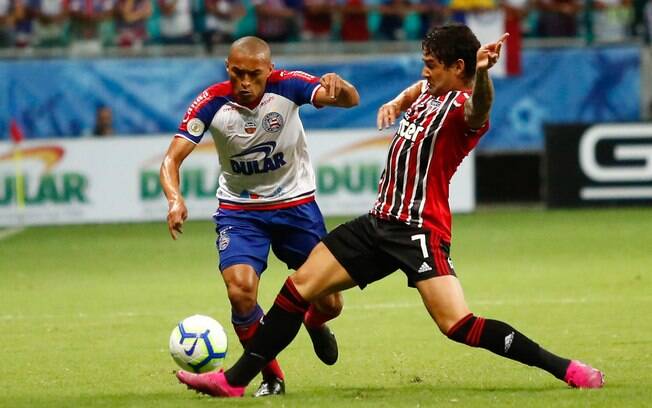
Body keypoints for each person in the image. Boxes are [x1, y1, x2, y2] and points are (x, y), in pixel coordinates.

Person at [174, 24, 605, 398]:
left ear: (458, 68)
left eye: (432, 64)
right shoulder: (430, 93)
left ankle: (565, 368)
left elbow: (480, 108)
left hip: (418, 230)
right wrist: (400, 100)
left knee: (457, 324)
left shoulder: (462, 110)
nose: (424, 71)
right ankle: (234, 381)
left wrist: (484, 76)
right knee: (297, 289)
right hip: (379, 222)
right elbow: (419, 88)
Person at [160, 36, 360, 397]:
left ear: (269, 70)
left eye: (254, 74)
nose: (245, 83)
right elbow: (170, 159)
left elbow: (349, 101)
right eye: (237, 74)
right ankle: (272, 377)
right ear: (227, 68)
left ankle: (314, 322)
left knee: (330, 302)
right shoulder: (211, 102)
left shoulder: (289, 86)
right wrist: (175, 199)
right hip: (240, 212)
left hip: (296, 207)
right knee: (240, 292)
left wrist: (340, 86)